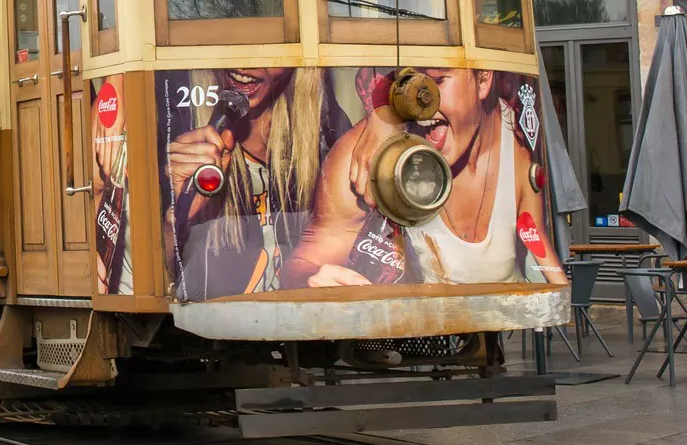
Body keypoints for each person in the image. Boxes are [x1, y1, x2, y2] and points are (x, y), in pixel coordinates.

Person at [283, 69, 566, 289]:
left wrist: (558, 297)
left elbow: (533, 233)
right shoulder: (367, 155)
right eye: (407, 84)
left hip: (488, 345)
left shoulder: (516, 144)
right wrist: (314, 280)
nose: (421, 104)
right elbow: (305, 263)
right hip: (399, 346)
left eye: (437, 81)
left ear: (483, 79)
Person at [160, 68, 326, 300]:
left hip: (300, 327)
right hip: (207, 332)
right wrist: (176, 217)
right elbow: (147, 284)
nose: (247, 64)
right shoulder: (172, 122)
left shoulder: (323, 131)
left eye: (268, 43)